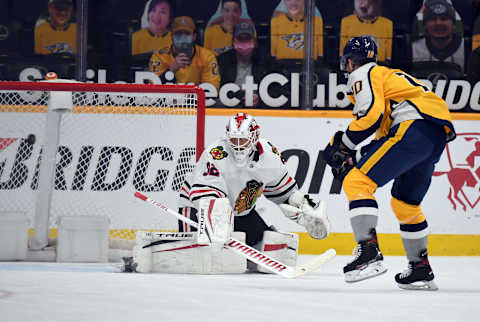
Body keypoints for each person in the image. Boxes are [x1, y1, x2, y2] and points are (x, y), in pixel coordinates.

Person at [323, 36, 455, 290]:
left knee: (356, 180)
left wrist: (342, 145)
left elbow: (370, 117)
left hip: (412, 128)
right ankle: (420, 269)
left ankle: (368, 252)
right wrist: (355, 157)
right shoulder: (389, 79)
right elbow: (385, 140)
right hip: (432, 135)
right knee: (405, 204)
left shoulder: (364, 72)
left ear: (350, 61)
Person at [178, 112, 330, 248]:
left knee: (273, 248)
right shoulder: (216, 154)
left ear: (254, 138)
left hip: (241, 212)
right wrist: (214, 215)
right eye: (234, 140)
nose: (237, 146)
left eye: (242, 140)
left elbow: (283, 192)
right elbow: (204, 192)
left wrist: (304, 208)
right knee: (204, 253)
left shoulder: (269, 156)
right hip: (196, 209)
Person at [149, 16, 221, 91]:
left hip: (196, 101)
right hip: (167, 100)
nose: (182, 38)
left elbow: (213, 88)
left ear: (194, 36)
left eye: (187, 34)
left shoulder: (207, 56)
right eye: (178, 34)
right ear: (172, 36)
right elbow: (151, 86)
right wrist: (172, 70)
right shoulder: (159, 56)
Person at [216, 22, 272, 106]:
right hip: (229, 104)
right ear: (233, 41)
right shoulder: (222, 60)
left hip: (256, 106)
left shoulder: (265, 59)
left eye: (247, 39)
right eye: (240, 39)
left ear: (254, 41)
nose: (244, 42)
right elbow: (217, 88)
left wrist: (260, 97)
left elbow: (274, 87)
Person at [412, 0, 466, 71]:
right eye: (433, 19)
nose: (438, 23)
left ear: (454, 24)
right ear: (425, 25)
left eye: (444, 18)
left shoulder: (466, 48)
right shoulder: (414, 49)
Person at [339, 0, 393, 65]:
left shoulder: (387, 24)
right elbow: (343, 55)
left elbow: (388, 59)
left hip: (378, 67)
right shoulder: (346, 22)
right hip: (354, 66)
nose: (363, 3)